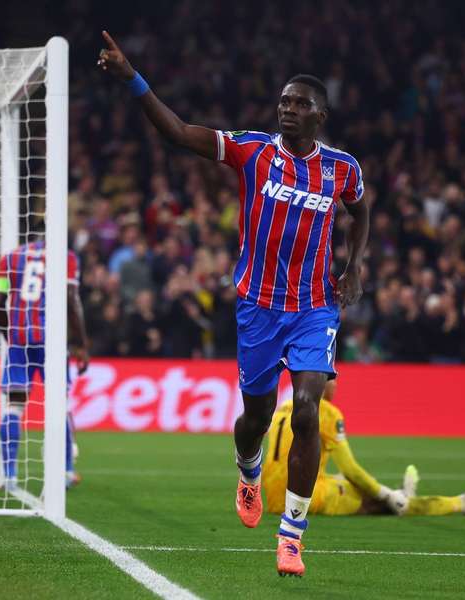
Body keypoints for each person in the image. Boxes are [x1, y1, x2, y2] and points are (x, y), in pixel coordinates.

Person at [98, 31, 370, 576]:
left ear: (320, 115)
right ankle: (248, 469)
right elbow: (179, 132)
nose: (287, 109)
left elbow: (361, 210)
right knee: (258, 416)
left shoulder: (342, 168)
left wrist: (354, 265)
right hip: (258, 306)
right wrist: (132, 78)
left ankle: (291, 535)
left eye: (299, 104)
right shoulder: (253, 150)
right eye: (284, 101)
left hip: (315, 306)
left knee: (309, 408)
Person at [262, 381, 465, 518]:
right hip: (303, 498)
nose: (336, 383)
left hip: (273, 495)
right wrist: (385, 494)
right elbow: (351, 469)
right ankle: (462, 503)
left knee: (342, 480)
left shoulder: (285, 406)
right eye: (333, 377)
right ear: (322, 381)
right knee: (382, 502)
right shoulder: (327, 413)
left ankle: (401, 494)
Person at [0, 239, 90, 490]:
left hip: (19, 341)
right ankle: (65, 472)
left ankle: (9, 476)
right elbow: (71, 298)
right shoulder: (65, 257)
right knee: (59, 406)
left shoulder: (10, 258)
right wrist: (81, 343)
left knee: (14, 406)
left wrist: (9, 335)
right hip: (51, 342)